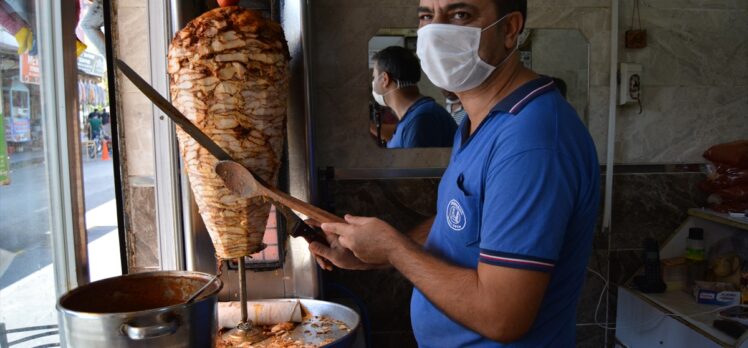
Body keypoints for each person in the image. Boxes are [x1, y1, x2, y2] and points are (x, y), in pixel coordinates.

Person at [309, 1, 600, 347]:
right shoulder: (479, 121)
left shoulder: (532, 140)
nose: (436, 32)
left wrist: (392, 249)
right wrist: (370, 255)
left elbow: (502, 315)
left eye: (460, 15)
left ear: (509, 30)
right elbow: (459, 225)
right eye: (426, 16)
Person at [371, 46, 457, 148]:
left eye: (374, 77)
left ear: (385, 79)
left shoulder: (422, 118)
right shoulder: (415, 116)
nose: (373, 82)